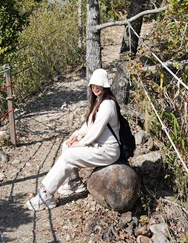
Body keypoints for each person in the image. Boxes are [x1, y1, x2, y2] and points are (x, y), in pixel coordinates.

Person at [25, 68, 121, 211]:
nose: (95, 88)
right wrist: (76, 135)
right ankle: (75, 182)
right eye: (93, 85)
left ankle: (47, 195)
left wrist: (81, 143)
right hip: (99, 147)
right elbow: (89, 124)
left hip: (108, 150)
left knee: (69, 155)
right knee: (66, 146)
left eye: (98, 85)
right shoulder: (100, 101)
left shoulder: (108, 104)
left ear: (104, 86)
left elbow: (95, 130)